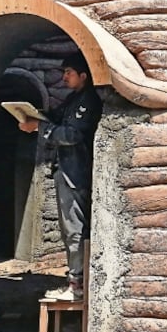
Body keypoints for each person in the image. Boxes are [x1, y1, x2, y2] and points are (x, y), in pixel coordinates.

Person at [18, 52, 102, 302]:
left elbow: (72, 135)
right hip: (67, 171)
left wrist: (39, 128)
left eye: (69, 73)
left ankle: (77, 285)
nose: (64, 77)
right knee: (69, 230)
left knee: (75, 230)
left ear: (83, 76)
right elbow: (56, 117)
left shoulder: (88, 101)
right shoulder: (74, 99)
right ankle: (75, 280)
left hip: (76, 173)